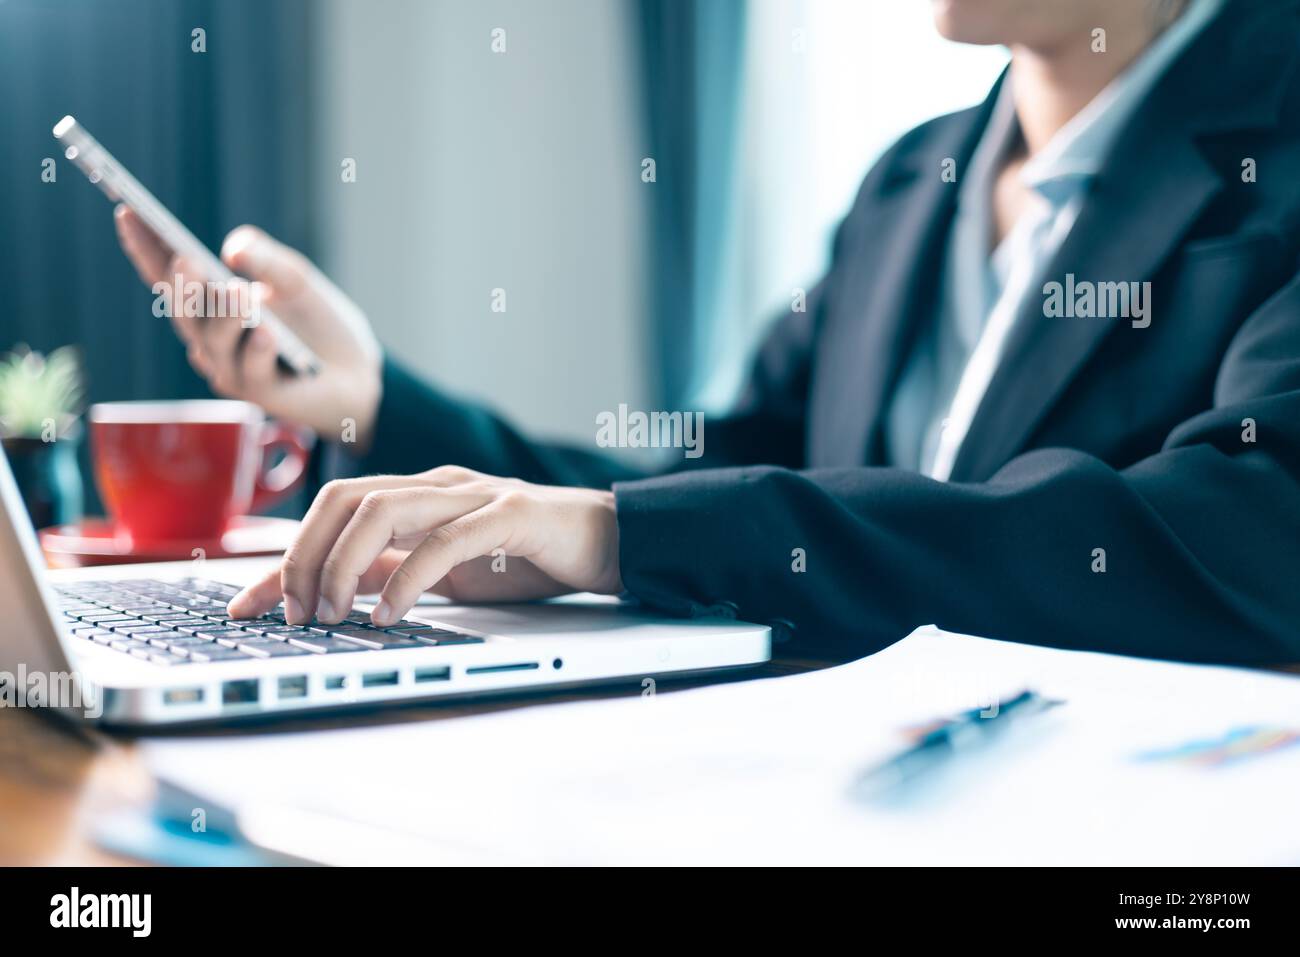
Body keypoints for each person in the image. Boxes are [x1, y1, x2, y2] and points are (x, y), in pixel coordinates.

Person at [115, 0, 1300, 665]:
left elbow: (1246, 532)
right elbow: (707, 488)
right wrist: (368, 400)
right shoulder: (908, 185)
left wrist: (632, 535)